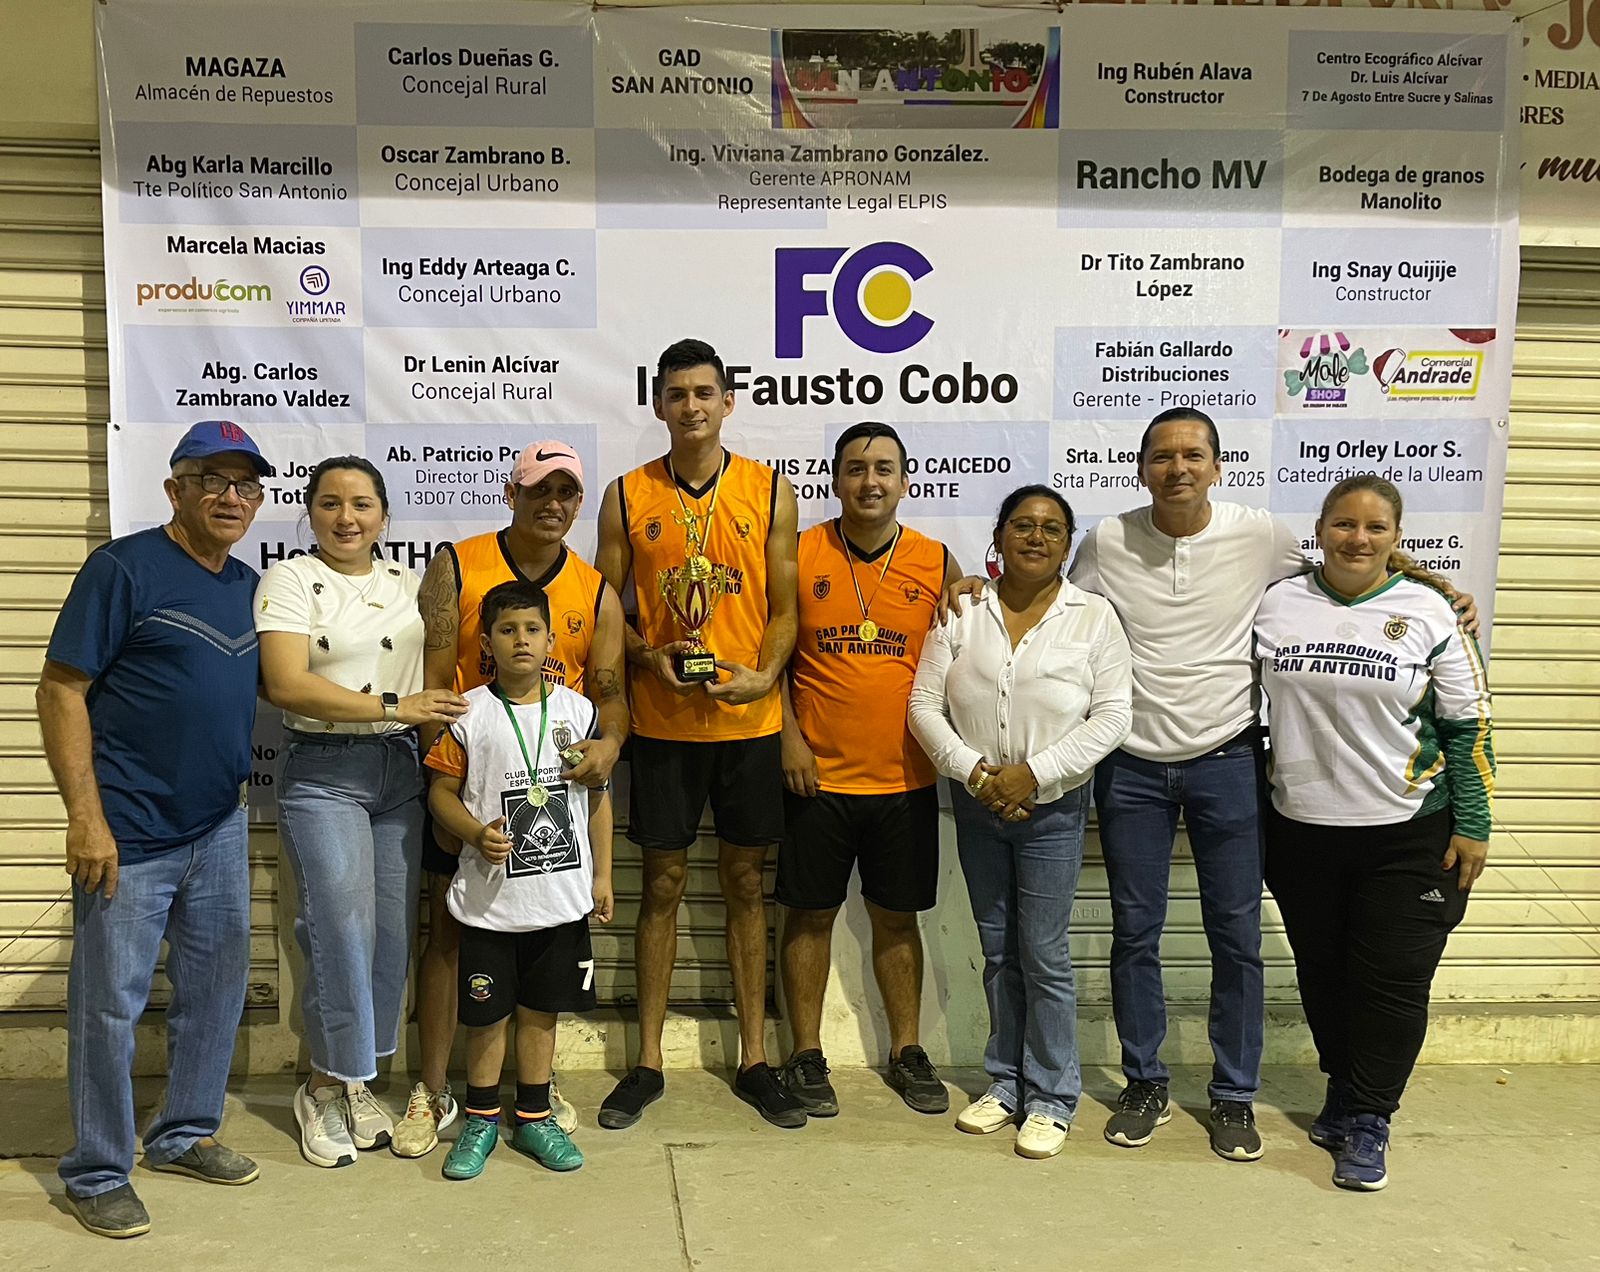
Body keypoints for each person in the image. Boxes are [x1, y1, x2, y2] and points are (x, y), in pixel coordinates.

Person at [37, 421, 274, 1238]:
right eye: (212, 479)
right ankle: (98, 1170)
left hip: (219, 826)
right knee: (109, 1009)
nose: (230, 497)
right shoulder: (123, 569)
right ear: (175, 489)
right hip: (128, 833)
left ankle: (183, 1133)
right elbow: (60, 689)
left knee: (214, 992)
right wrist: (85, 817)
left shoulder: (246, 584)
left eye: (246, 484)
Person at [1256, 475, 1493, 1192]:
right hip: (1301, 830)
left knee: (1391, 981)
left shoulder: (1429, 610)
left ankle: (1370, 1116)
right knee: (1324, 973)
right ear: (1320, 530)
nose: (1357, 539)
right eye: (1344, 524)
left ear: (1395, 537)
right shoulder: (1277, 602)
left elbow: (1468, 726)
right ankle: (1343, 1088)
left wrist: (1475, 824)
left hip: (1409, 833)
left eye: (1374, 527)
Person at [594, 338, 803, 1130]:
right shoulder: (625, 495)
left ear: (727, 402)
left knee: (747, 884)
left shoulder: (770, 489)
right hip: (664, 724)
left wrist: (765, 675)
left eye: (704, 393)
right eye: (677, 394)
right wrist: (648, 657)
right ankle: (648, 1060)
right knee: (662, 885)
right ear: (658, 404)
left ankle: (755, 1058)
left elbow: (785, 609)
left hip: (748, 721)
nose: (691, 406)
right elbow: (607, 612)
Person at [402, 441, 625, 1156]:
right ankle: (435, 1090)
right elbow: (437, 688)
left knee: (539, 970)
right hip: (475, 795)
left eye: (566, 491)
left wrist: (608, 748)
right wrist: (454, 811)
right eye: (538, 489)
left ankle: (532, 1097)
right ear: (512, 492)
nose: (552, 503)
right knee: (453, 937)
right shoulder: (458, 565)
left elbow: (611, 698)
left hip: (555, 818)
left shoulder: (594, 589)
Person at [255, 456, 468, 1168]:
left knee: (385, 936)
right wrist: (394, 705)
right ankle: (321, 1087)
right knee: (338, 927)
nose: (346, 517)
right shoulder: (289, 579)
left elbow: (440, 672)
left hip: (399, 771)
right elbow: (286, 684)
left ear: (384, 515)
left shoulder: (409, 585)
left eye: (361, 504)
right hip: (325, 771)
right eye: (330, 503)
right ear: (310, 512)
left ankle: (354, 1080)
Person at [909, 485, 1132, 1160]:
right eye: (1023, 525)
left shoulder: (1093, 616)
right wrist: (975, 773)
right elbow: (923, 708)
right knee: (999, 949)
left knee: (1043, 953)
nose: (1036, 537)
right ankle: (1005, 1083)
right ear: (999, 537)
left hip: (1052, 807)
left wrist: (1033, 774)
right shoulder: (962, 610)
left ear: (1068, 546)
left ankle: (1053, 1096)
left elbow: (1112, 717)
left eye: (1052, 529)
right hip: (979, 804)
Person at [775, 422, 962, 1118]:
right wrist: (788, 739)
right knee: (808, 918)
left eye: (884, 468)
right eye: (855, 468)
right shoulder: (800, 552)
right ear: (835, 479)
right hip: (815, 778)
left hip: (905, 780)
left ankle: (907, 1050)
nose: (870, 481)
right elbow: (772, 659)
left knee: (897, 919)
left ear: (905, 481)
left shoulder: (936, 561)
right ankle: (805, 1053)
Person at [425, 581, 614, 1180]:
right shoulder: (468, 713)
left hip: (558, 901)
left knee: (541, 1012)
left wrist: (603, 875)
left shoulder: (578, 712)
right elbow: (439, 794)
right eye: (507, 631)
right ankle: (480, 1118)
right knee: (485, 1015)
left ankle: (534, 1116)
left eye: (533, 629)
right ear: (487, 644)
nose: (521, 640)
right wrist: (475, 832)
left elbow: (598, 798)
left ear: (552, 640)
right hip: (490, 902)